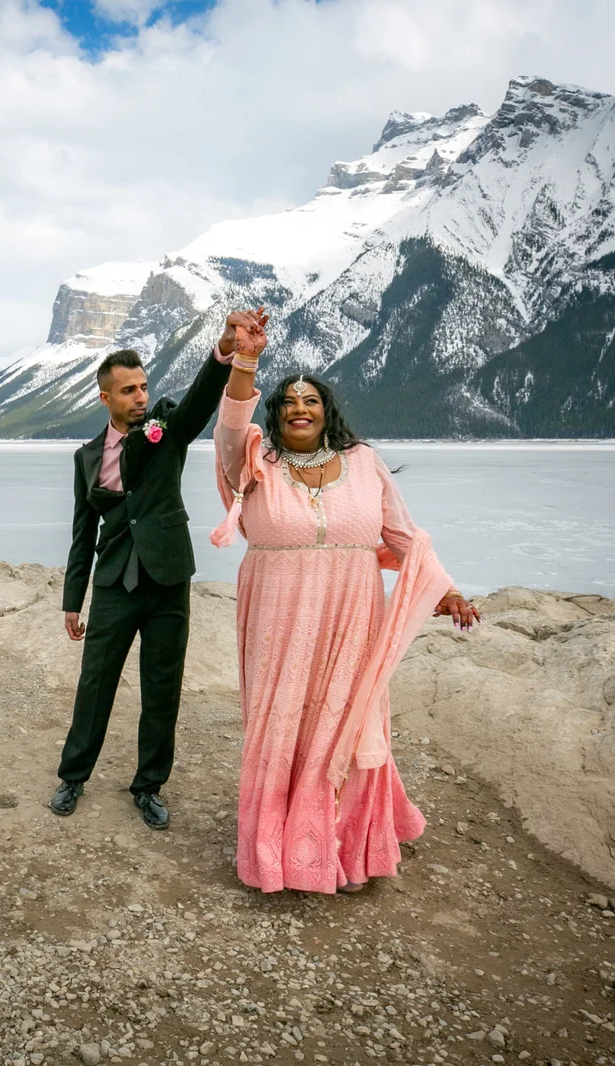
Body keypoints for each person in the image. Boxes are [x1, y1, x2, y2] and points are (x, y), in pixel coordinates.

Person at [210, 350, 481, 893]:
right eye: (287, 403)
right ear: (276, 416)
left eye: (311, 400)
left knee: (346, 721)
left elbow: (404, 535)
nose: (299, 408)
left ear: (327, 410)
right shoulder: (252, 465)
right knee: (281, 721)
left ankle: (341, 847)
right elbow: (232, 423)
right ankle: (278, 849)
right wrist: (244, 362)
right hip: (277, 617)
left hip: (352, 616)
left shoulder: (364, 463)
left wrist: (445, 589)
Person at [51, 309, 270, 830]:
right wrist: (71, 600)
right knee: (95, 683)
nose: (141, 397)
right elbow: (83, 535)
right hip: (113, 584)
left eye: (144, 387)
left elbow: (198, 404)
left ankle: (148, 787)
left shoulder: (164, 427)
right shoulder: (85, 458)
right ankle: (73, 777)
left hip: (168, 578)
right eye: (128, 391)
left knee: (161, 687)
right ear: (106, 398)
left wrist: (226, 351)